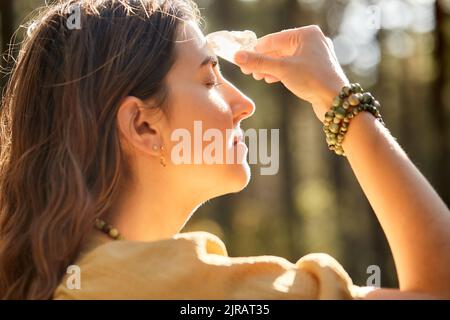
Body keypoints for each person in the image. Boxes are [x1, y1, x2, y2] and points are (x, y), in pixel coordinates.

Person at [0, 0, 448, 300]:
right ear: (142, 125)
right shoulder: (180, 289)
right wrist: (339, 100)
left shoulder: (62, 273)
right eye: (210, 79)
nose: (244, 104)